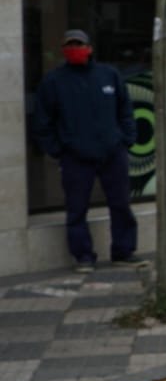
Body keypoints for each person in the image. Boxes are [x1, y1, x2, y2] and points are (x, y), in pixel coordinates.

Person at [31, 29, 140, 273]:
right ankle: (83, 256)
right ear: (63, 50)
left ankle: (123, 251)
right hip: (75, 157)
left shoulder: (109, 75)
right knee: (76, 209)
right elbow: (42, 122)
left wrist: (126, 140)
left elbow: (125, 110)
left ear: (89, 48)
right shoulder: (53, 81)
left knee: (121, 204)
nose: (75, 49)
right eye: (70, 45)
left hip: (113, 153)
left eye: (79, 44)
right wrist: (59, 150)